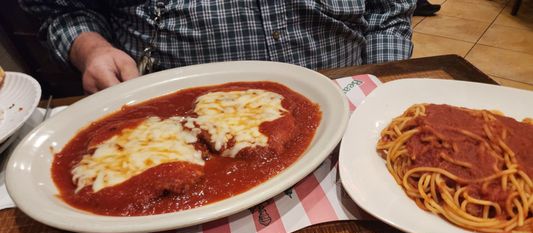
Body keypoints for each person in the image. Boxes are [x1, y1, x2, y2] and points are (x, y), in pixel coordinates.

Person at [20, 1, 416, 94]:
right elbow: (58, 8)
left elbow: (389, 9)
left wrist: (380, 87)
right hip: (171, 127)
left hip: (348, 97)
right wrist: (91, 49)